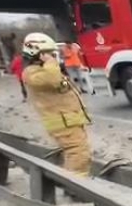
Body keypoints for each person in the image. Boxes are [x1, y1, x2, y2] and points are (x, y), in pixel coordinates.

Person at [21, 33, 93, 177]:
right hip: (62, 123)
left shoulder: (45, 70)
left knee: (78, 152)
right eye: (48, 54)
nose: (53, 57)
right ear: (38, 53)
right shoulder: (32, 73)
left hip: (69, 121)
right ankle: (76, 188)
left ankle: (75, 182)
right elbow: (53, 80)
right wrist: (50, 62)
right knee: (77, 153)